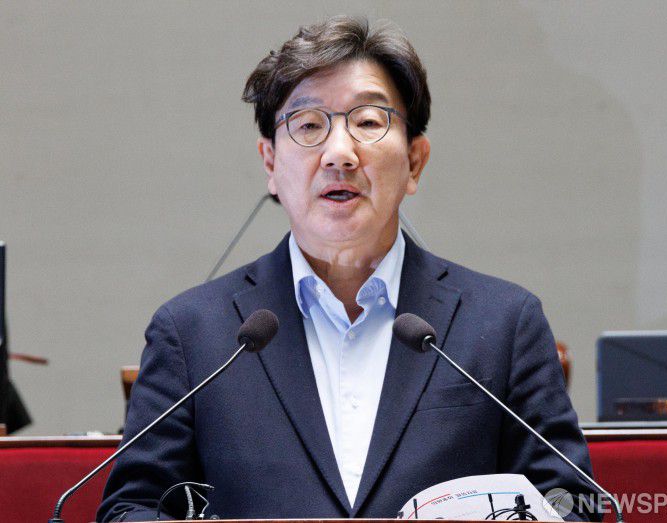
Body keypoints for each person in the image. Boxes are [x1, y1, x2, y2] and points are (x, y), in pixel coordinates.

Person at [98, 16, 598, 522]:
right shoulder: (193, 334)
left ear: (415, 162)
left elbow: (575, 503)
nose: (339, 154)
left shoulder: (504, 324)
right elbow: (130, 509)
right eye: (308, 125)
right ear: (270, 163)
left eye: (369, 122)